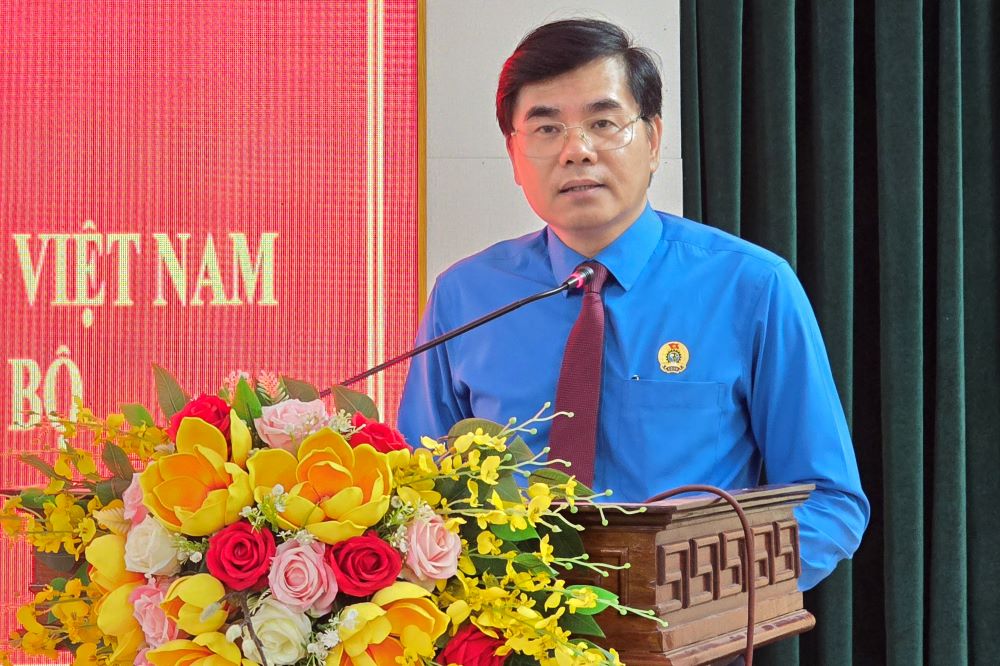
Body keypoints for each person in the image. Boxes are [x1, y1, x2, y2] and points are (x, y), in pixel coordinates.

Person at [398, 18, 868, 594]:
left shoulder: (750, 286)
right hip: (501, 628)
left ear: (653, 140)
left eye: (603, 123)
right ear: (514, 155)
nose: (577, 150)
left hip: (688, 624)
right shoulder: (466, 295)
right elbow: (416, 495)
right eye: (546, 128)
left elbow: (828, 503)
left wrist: (697, 592)